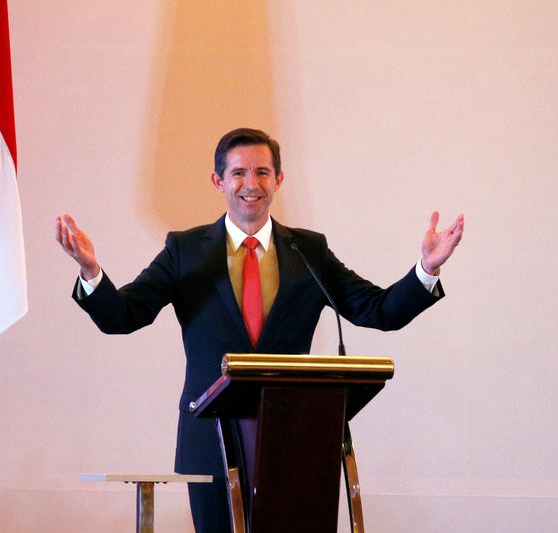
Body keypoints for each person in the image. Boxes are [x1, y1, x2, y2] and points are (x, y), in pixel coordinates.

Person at [56, 128, 464, 532]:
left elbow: (378, 310)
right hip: (210, 443)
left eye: (262, 173)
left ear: (278, 180)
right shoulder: (185, 250)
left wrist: (427, 269)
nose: (251, 184)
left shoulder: (308, 250)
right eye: (238, 173)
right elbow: (124, 316)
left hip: (293, 436)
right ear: (218, 181)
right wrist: (91, 272)